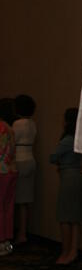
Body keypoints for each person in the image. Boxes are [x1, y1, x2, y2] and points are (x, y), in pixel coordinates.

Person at [50, 108, 82, 264]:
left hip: (69, 177)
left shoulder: (67, 140)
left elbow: (53, 157)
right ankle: (73, 251)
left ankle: (66, 252)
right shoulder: (81, 137)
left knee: (65, 216)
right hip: (78, 176)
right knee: (75, 217)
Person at [13, 94, 37, 244]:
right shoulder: (32, 123)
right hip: (30, 159)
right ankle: (23, 232)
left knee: (18, 200)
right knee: (25, 200)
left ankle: (20, 234)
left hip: (19, 160)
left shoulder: (17, 123)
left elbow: (11, 140)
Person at [0, 99, 17, 255]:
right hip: (11, 169)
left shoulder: (1, 127)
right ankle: (6, 241)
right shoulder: (10, 128)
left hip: (1, 170)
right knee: (7, 207)